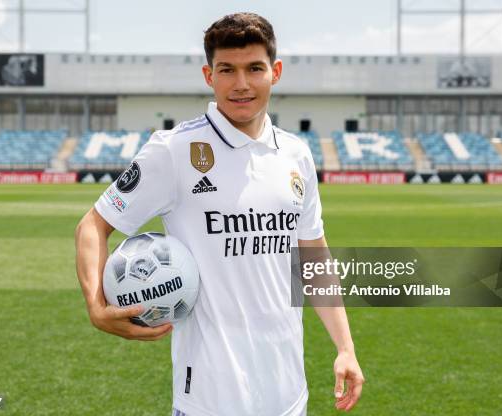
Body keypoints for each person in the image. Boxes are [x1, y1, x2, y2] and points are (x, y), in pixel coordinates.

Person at [75, 12, 364, 415]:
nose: (241, 83)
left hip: (287, 394)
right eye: (227, 69)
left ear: (275, 72)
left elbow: (313, 255)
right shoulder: (174, 150)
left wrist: (345, 347)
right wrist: (95, 304)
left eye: (254, 69)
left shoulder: (296, 154)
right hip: (208, 399)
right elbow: (93, 225)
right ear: (209, 75)